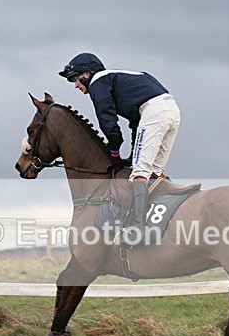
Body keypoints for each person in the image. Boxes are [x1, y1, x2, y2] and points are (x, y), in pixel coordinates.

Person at [59, 53, 180, 246]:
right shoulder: (119, 80)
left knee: (139, 174)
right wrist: (133, 153)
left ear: (87, 74)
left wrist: (114, 152)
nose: (75, 85)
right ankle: (156, 223)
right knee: (153, 173)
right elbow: (135, 123)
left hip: (154, 112)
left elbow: (108, 122)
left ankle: (138, 229)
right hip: (171, 111)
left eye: (75, 79)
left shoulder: (98, 82)